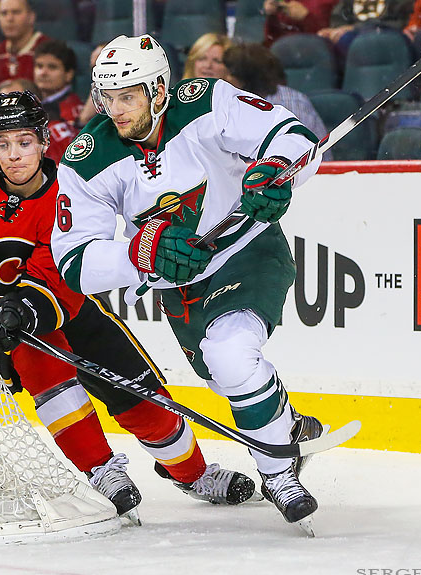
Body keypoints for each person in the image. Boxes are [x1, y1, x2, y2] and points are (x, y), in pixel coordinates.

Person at [49, 35, 328, 532]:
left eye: (127, 95)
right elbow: (75, 261)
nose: (114, 108)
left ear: (159, 89)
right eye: (106, 96)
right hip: (181, 285)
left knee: (231, 354)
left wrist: (276, 171)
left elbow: (292, 136)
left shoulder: (206, 100)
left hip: (248, 251)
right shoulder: (87, 157)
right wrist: (141, 254)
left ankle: (280, 471)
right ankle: (283, 423)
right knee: (224, 376)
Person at [0, 91, 257, 520]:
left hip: (58, 306)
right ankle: (102, 469)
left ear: (44, 141)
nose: (14, 156)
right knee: (42, 363)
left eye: (24, 142)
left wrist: (22, 310)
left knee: (148, 404)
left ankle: (192, 473)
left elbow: (62, 276)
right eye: (4, 144)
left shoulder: (71, 190)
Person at [221, 42, 331, 160]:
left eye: (229, 74)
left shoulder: (292, 104)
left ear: (245, 78)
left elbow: (300, 158)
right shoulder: (230, 102)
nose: (224, 78)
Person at [0, 0, 49, 94]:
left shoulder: (49, 52)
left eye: (16, 12)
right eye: (4, 13)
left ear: (31, 17)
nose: (9, 18)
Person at [32, 39, 84, 162]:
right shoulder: (32, 102)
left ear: (68, 74)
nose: (43, 73)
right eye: (39, 66)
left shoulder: (74, 111)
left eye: (52, 67)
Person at [263, 0, 338, 46]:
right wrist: (271, 16)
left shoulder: (327, 2)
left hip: (309, 53)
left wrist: (306, 18)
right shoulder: (283, 2)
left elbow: (328, 37)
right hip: (279, 53)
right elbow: (270, 38)